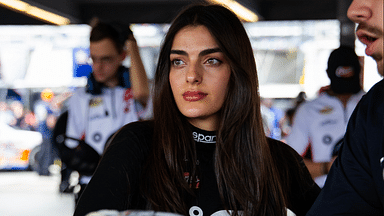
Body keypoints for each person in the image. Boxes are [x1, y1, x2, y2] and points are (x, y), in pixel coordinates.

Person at [74, 4, 320, 216]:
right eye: (178, 62)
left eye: (211, 60)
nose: (191, 76)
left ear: (237, 70)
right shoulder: (135, 146)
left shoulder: (280, 161)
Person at [306, 0, 383, 215]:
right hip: (322, 192)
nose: (353, 10)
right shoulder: (373, 108)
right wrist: (326, 167)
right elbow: (288, 164)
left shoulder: (367, 102)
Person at [63, 21, 149, 202]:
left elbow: (142, 92)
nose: (98, 67)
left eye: (106, 59)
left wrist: (132, 43)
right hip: (92, 185)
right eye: (94, 59)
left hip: (133, 185)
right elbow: (72, 145)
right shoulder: (81, 97)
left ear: (122, 56)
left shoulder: (133, 92)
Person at [285, 46, 365, 187]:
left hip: (370, 199)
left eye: (349, 74)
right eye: (341, 74)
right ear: (328, 73)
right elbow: (289, 165)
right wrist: (328, 167)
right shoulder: (308, 110)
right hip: (325, 196)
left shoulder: (374, 104)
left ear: (359, 71)